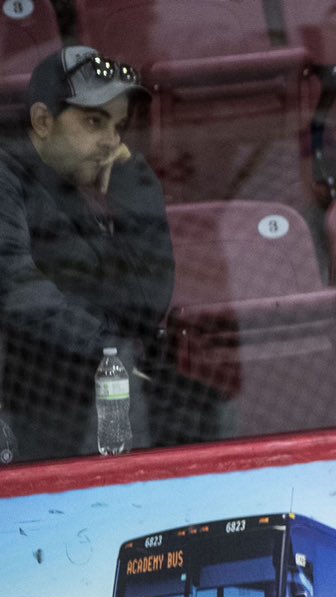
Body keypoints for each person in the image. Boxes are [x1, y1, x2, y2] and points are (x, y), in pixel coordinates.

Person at [0, 46, 208, 462]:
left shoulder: (73, 189)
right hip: (24, 424)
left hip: (72, 420)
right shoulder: (6, 180)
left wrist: (133, 183)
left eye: (119, 126)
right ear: (42, 121)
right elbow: (15, 290)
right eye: (94, 122)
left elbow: (145, 304)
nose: (111, 142)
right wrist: (110, 349)